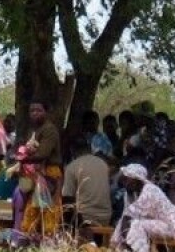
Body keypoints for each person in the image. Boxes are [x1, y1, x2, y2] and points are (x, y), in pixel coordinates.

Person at [110, 163, 175, 252]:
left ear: (137, 179)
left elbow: (128, 216)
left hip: (172, 226)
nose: (125, 183)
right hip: (157, 223)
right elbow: (125, 215)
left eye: (128, 179)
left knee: (136, 224)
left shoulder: (150, 190)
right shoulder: (133, 193)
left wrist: (123, 238)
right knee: (132, 223)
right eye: (124, 180)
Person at [20, 102, 63, 240]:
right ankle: (30, 244)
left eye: (38, 110)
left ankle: (48, 247)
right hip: (37, 175)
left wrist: (22, 160)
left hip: (49, 174)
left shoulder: (49, 130)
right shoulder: (34, 130)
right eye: (32, 110)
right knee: (33, 211)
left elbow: (43, 154)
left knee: (48, 212)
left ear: (46, 112)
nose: (34, 113)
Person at [62, 137, 112, 233]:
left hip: (85, 217)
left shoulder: (72, 167)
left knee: (64, 209)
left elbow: (67, 198)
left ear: (73, 151)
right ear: (89, 148)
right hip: (106, 216)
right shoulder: (103, 163)